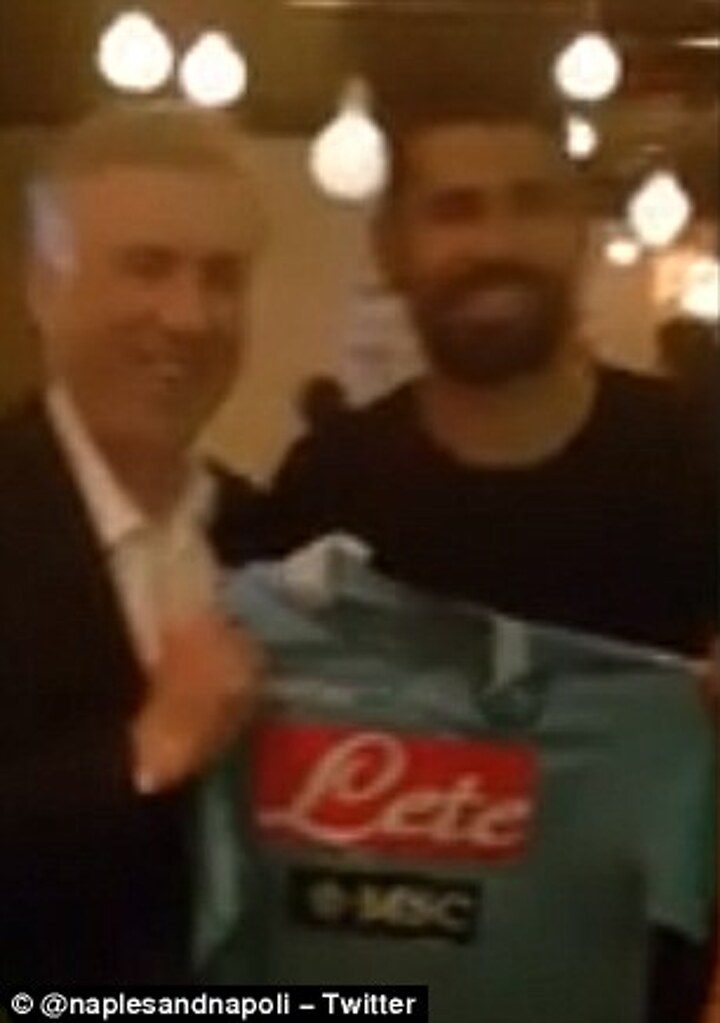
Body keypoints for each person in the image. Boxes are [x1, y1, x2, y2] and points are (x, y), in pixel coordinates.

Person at [263, 94, 717, 1020]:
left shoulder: (697, 458)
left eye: (531, 203)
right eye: (454, 210)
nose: (496, 242)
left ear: (579, 230)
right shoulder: (325, 482)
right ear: (391, 248)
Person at [0, 103, 265, 984]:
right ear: (45, 288)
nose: (188, 316)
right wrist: (147, 750)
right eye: (147, 267)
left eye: (221, 277)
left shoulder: (274, 533)